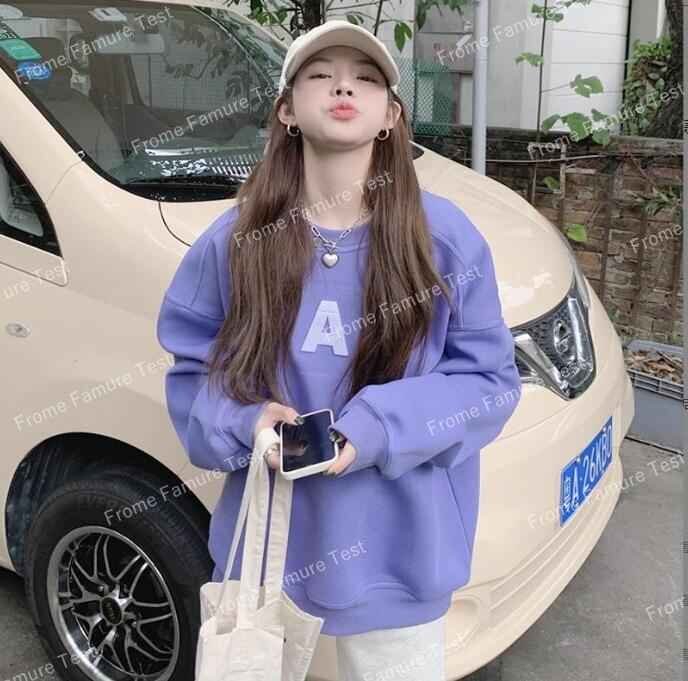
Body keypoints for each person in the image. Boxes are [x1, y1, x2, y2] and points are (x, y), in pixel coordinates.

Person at [156, 18, 522, 681]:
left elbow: (489, 383)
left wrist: (375, 427)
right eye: (321, 75)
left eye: (366, 78)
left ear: (391, 115)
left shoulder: (443, 238)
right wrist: (247, 420)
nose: (343, 87)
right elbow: (193, 375)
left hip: (400, 553)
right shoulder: (233, 242)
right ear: (287, 110)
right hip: (268, 550)